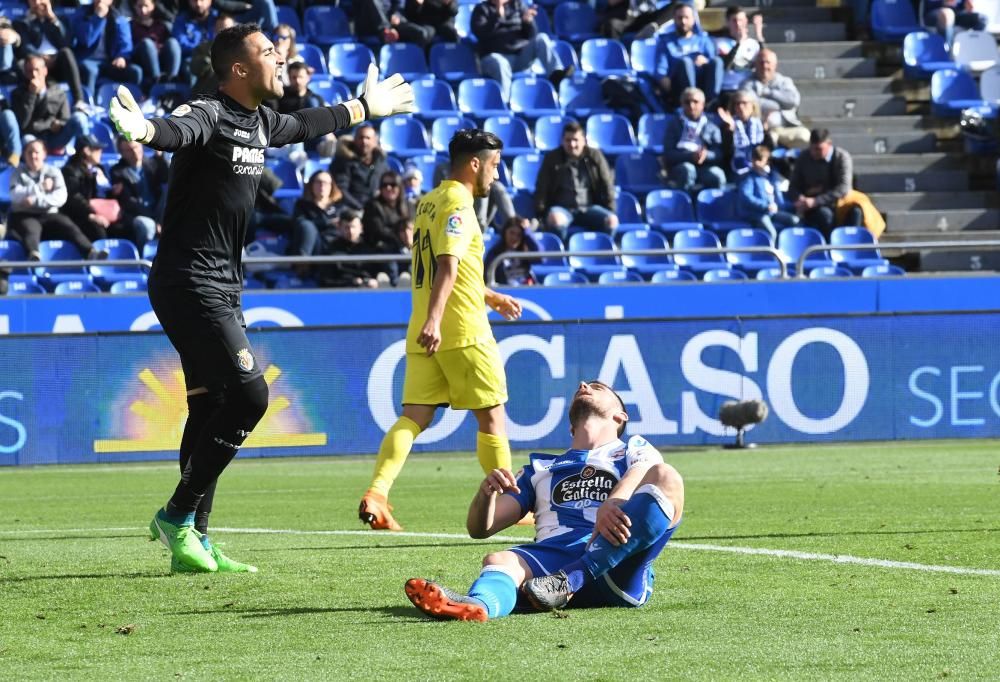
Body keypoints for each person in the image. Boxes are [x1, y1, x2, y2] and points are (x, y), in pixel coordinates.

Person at [107, 22, 414, 573]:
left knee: (208, 405)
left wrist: (363, 107)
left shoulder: (261, 122)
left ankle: (193, 540)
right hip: (188, 280)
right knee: (251, 397)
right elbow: (178, 131)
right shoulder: (210, 113)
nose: (281, 58)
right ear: (241, 69)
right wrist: (145, 131)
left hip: (220, 285)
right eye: (269, 52)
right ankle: (176, 516)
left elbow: (305, 124)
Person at [404, 380, 684, 621]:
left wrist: (614, 501)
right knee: (499, 559)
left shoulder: (633, 449)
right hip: (548, 573)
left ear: (620, 417)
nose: (583, 387)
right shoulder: (539, 469)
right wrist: (485, 494)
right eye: (582, 387)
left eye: (595, 387)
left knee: (666, 477)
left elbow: (651, 466)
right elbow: (480, 529)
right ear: (571, 428)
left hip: (615, 564)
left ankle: (575, 578)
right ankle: (477, 605)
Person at [358, 128, 523, 531]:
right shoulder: (460, 205)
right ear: (474, 164)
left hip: (423, 329)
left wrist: (489, 295)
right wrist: (438, 319)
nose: (496, 176)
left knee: (413, 416)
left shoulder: (428, 202)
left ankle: (377, 493)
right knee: (493, 418)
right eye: (494, 166)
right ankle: (512, 505)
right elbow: (447, 265)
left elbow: (446, 267)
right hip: (462, 330)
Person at [7, 137, 107, 262]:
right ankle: (34, 256)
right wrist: (40, 187)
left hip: (49, 213)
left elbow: (60, 197)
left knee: (69, 226)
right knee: (30, 230)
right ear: (24, 155)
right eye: (29, 152)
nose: (33, 156)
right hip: (25, 214)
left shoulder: (53, 172)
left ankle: (91, 252)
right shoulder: (17, 173)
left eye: (36, 152)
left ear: (44, 154)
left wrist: (34, 200)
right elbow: (15, 194)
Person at [471, 0, 572, 104]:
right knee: (501, 63)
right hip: (494, 56)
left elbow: (532, 35)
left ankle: (556, 74)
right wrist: (497, 16)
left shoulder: (518, 5)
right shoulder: (482, 9)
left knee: (541, 38)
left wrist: (527, 23)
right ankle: (504, 103)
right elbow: (480, 34)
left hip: (520, 57)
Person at [534, 120, 617, 241]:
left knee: (612, 221)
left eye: (576, 140)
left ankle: (600, 254)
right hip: (562, 208)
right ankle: (564, 254)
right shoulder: (552, 158)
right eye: (568, 140)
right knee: (555, 219)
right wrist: (540, 213)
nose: (572, 144)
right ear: (562, 141)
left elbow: (607, 184)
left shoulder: (595, 156)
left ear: (583, 140)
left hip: (589, 208)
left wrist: (610, 209)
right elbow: (542, 186)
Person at [787, 128, 862, 239]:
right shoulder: (804, 157)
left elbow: (843, 188)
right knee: (825, 215)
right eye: (812, 149)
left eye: (819, 149)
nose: (814, 153)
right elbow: (793, 186)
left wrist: (816, 201)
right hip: (812, 207)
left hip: (838, 203)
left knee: (856, 212)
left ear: (829, 144)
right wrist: (800, 199)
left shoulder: (842, 157)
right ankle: (829, 247)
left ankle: (851, 247)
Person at [13, 0, 87, 108]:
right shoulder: (21, 22)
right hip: (35, 65)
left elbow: (67, 43)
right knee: (24, 64)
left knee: (66, 53)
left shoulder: (61, 19)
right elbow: (25, 46)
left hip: (57, 63)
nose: (37, 2)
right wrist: (40, 58)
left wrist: (51, 18)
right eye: (34, 0)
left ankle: (79, 101)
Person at [11, 54, 92, 152]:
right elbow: (22, 124)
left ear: (45, 71)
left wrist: (60, 124)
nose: (34, 74)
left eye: (37, 70)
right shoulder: (18, 94)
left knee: (79, 118)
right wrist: (31, 95)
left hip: (54, 137)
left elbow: (65, 117)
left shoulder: (57, 91)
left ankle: (84, 153)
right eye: (29, 71)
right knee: (29, 141)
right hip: (33, 137)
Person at [740, 49, 809, 150]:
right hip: (758, 129)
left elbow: (793, 101)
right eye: (761, 62)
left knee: (804, 135)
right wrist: (778, 104)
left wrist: (768, 93)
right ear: (755, 65)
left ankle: (775, 139)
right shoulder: (747, 83)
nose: (764, 66)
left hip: (785, 129)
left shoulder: (784, 81)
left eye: (768, 62)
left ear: (775, 65)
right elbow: (751, 104)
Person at [655, 3, 723, 106]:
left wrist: (705, 61)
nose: (683, 21)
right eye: (680, 18)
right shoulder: (666, 41)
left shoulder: (703, 40)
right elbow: (661, 72)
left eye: (686, 17)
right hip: (679, 87)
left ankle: (711, 103)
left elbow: (713, 62)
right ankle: (690, 101)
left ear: (693, 19)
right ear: (674, 19)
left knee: (717, 61)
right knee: (686, 62)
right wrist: (666, 87)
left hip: (702, 83)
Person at [661, 86, 725, 193]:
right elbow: (668, 154)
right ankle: (684, 205)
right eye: (687, 102)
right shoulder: (674, 124)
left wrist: (705, 155)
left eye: (695, 102)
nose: (691, 105)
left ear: (703, 104)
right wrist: (690, 156)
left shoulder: (712, 126)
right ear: (682, 104)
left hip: (704, 166)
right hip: (680, 166)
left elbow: (718, 153)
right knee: (688, 169)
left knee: (718, 175)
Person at [110, 135, 170, 250]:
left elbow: (166, 177)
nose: (134, 152)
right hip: (138, 214)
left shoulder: (153, 163)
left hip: (158, 210)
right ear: (122, 153)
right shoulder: (117, 172)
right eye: (129, 150)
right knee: (147, 226)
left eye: (136, 147)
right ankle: (148, 257)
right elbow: (129, 202)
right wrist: (154, 221)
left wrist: (160, 157)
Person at [73, 0, 143, 96]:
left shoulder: (118, 17)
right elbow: (86, 40)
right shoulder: (82, 14)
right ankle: (89, 105)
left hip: (109, 61)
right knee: (91, 71)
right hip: (87, 59)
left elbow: (126, 43)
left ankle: (134, 103)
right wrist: (98, 17)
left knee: (135, 71)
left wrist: (122, 56)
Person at [736, 145, 798, 241]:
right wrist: (765, 206)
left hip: (772, 212)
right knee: (771, 233)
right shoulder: (749, 178)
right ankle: (771, 254)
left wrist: (794, 205)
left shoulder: (772, 177)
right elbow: (746, 196)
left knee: (795, 221)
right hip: (758, 214)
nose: (756, 162)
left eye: (760, 159)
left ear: (767, 161)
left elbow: (779, 200)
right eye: (754, 159)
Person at [59, 133, 112, 243]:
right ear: (87, 151)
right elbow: (74, 198)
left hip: (100, 213)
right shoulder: (70, 171)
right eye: (97, 149)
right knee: (98, 230)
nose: (100, 152)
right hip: (81, 216)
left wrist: (114, 191)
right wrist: (91, 214)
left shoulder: (99, 169)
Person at [321, 207, 388, 288]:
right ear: (339, 228)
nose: (350, 231)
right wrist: (351, 282)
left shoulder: (371, 248)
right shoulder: (331, 250)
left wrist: (374, 281)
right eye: (346, 227)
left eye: (353, 227)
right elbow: (326, 281)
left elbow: (382, 272)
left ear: (361, 228)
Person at [331, 122, 390, 211]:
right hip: (350, 209)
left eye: (368, 138)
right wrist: (360, 208)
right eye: (361, 137)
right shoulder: (343, 162)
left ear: (375, 141)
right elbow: (341, 191)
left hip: (375, 209)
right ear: (354, 139)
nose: (364, 141)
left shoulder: (381, 162)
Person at [291, 170, 345, 267]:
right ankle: (303, 264)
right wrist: (328, 222)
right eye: (318, 182)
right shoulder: (302, 205)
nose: (322, 186)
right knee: (307, 225)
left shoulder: (339, 206)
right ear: (311, 185)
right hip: (314, 245)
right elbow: (299, 223)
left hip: (335, 245)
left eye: (326, 183)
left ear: (332, 186)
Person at [131, 0, 183, 88]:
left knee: (173, 42)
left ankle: (172, 78)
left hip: (162, 58)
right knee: (147, 43)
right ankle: (157, 79)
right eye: (140, 7)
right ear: (135, 7)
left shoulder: (161, 25)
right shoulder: (131, 25)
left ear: (153, 6)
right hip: (142, 60)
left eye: (146, 6)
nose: (143, 10)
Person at [717, 89, 765, 179]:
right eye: (737, 104)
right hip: (735, 169)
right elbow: (725, 152)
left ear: (752, 106)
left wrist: (761, 160)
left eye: (744, 103)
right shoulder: (727, 126)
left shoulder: (760, 125)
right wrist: (730, 129)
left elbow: (765, 148)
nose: (741, 107)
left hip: (758, 166)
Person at [363, 170, 411, 255]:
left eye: (393, 185)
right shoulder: (372, 206)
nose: (388, 188)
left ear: (399, 187)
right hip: (382, 251)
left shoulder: (409, 206)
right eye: (384, 185)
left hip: (409, 248)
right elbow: (378, 231)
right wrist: (401, 237)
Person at [355, 0, 436, 47]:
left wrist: (395, 15)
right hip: (372, 24)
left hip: (393, 21)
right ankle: (386, 32)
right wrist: (386, 28)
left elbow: (399, 4)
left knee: (422, 33)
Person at [484, 215, 537, 286]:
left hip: (528, 289)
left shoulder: (524, 251)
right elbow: (487, 277)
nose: (514, 238)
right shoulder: (495, 253)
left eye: (519, 235)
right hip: (507, 292)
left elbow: (542, 258)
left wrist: (527, 232)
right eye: (512, 233)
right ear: (505, 232)